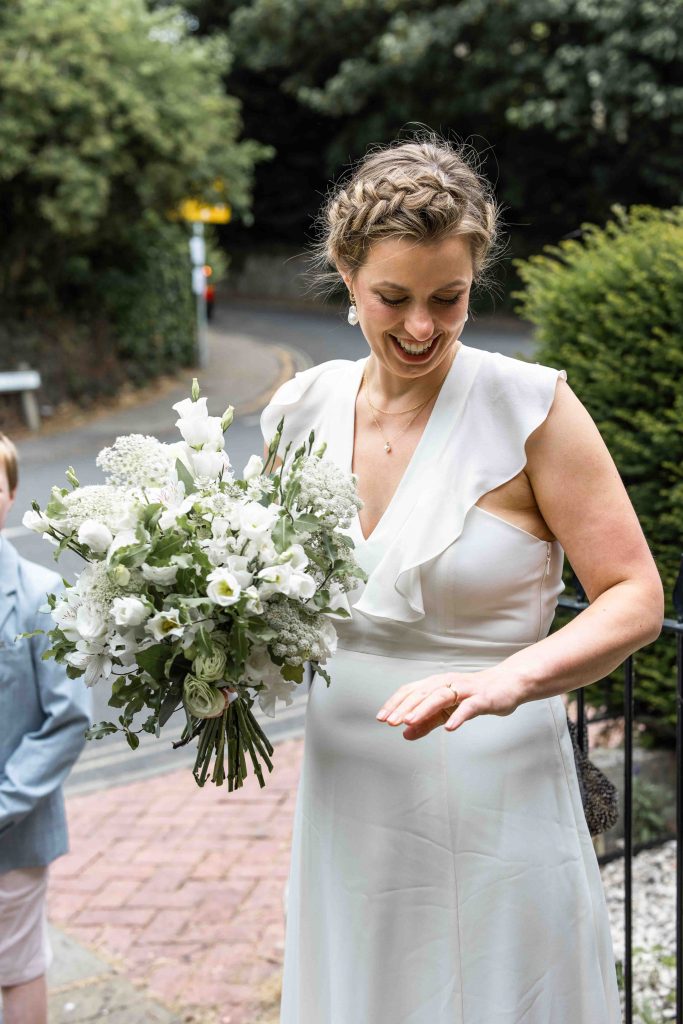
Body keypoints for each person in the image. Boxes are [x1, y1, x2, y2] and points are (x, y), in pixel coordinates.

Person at [260, 135, 663, 1023]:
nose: (419, 328)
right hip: (348, 792)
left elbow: (635, 595)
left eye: (449, 299)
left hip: (496, 794)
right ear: (343, 271)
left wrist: (506, 680)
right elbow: (268, 596)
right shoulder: (296, 411)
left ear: (476, 273)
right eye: (391, 299)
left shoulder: (532, 407)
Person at [0, 433, 91, 1024]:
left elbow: (68, 717)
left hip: (10, 833)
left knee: (14, 966)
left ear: (8, 495)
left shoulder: (39, 595)